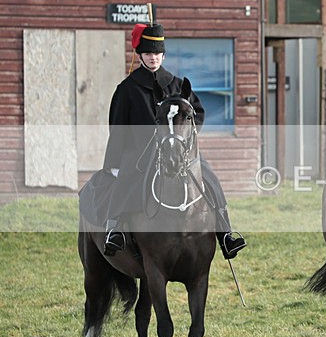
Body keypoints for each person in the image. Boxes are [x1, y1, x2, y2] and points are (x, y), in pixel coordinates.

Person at [103, 23, 246, 259]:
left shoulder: (177, 84)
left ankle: (225, 234)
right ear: (140, 55)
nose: (153, 58)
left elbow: (197, 112)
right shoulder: (127, 89)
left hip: (179, 149)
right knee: (126, 179)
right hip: (140, 152)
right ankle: (115, 230)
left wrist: (184, 137)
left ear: (163, 55)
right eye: (148, 54)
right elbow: (117, 127)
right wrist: (117, 161)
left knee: (209, 177)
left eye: (157, 54)